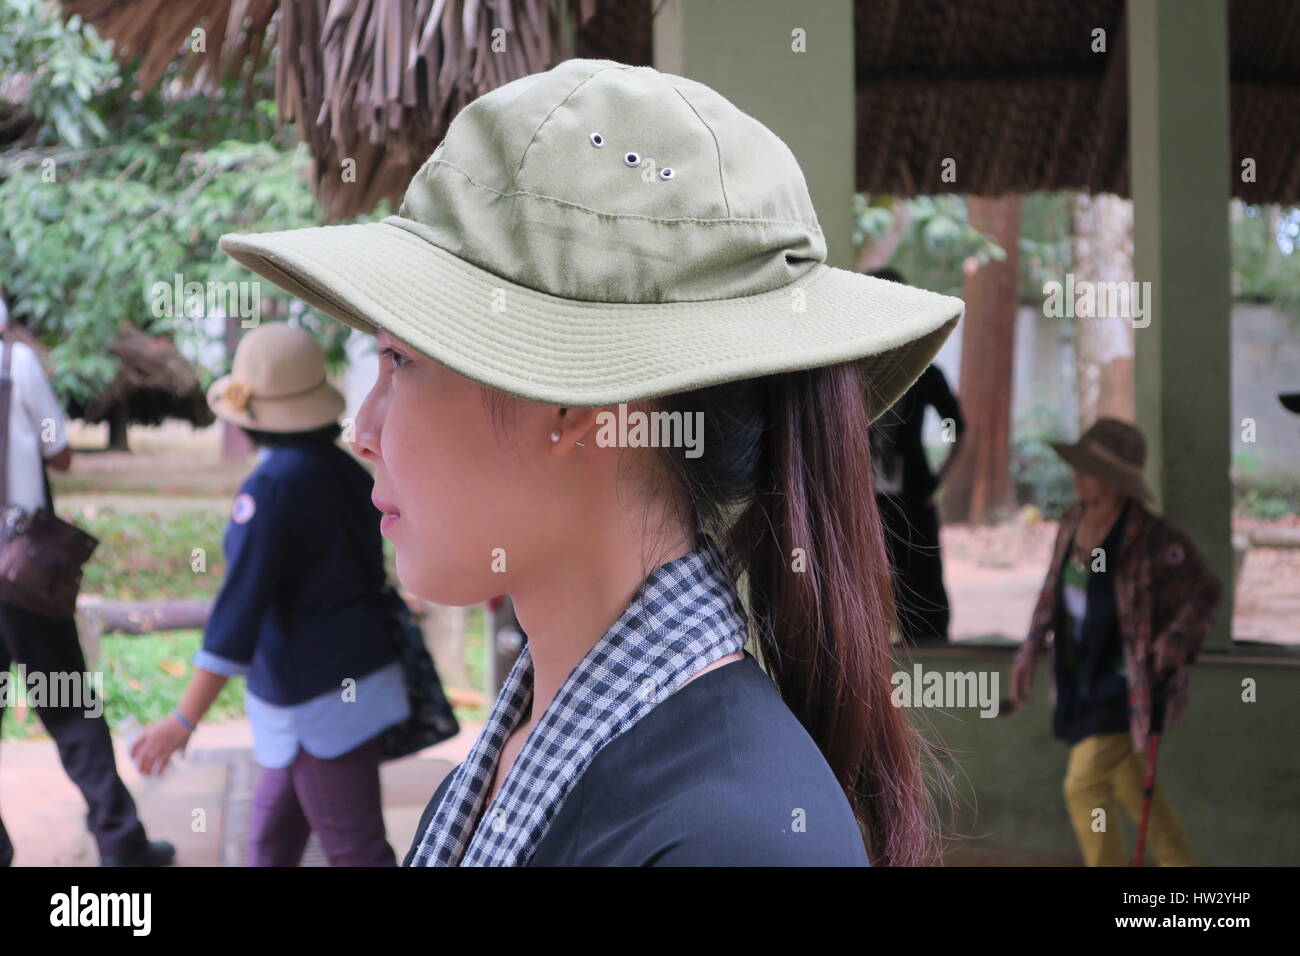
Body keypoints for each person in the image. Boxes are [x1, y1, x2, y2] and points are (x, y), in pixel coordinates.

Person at [218, 59, 965, 866]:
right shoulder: (514, 774)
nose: (362, 429)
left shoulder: (729, 840)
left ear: (574, 402)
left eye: (400, 360)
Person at [130, 322, 410, 866]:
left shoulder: (272, 487)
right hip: (341, 681)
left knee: (356, 852)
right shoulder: (345, 472)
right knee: (269, 844)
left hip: (317, 700)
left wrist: (182, 721)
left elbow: (239, 612)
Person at [0, 287, 174, 867]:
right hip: (21, 571)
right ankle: (121, 843)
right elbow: (62, 453)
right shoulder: (15, 362)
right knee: (70, 706)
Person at [1009, 417, 1221, 866]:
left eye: (1091, 472)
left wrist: (1176, 641)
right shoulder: (1073, 521)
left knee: (1083, 784)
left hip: (1131, 684)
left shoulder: (1153, 540)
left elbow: (1206, 592)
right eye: (1080, 469)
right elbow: (1051, 592)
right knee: (1130, 783)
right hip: (1081, 674)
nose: (1079, 479)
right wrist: (1029, 651)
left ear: (1119, 484)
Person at [867, 268, 965, 643]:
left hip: (913, 499)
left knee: (922, 586)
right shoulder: (852, 369)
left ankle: (931, 665)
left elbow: (957, 425)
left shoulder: (925, 371)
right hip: (863, 499)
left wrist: (940, 480)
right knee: (861, 584)